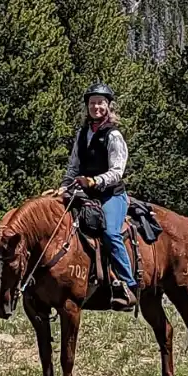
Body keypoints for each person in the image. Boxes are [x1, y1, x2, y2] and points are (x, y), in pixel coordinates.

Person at [61, 83, 136, 310]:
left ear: (108, 106)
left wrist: (94, 181)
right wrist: (64, 186)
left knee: (111, 233)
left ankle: (128, 284)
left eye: (100, 103)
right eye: (92, 103)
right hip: (84, 193)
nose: (96, 107)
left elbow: (116, 172)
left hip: (110, 195)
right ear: (87, 106)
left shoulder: (113, 136)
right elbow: (73, 166)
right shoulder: (82, 134)